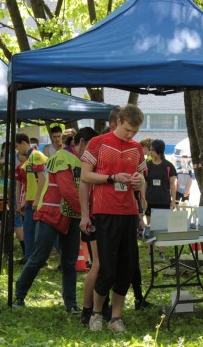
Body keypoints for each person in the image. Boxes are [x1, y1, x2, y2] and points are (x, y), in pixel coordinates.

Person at [13, 128, 98, 314]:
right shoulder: (62, 157)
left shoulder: (85, 161)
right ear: (82, 142)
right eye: (92, 146)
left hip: (73, 217)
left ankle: (71, 303)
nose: (94, 151)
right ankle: (19, 295)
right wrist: (88, 214)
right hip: (51, 215)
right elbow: (67, 190)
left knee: (69, 261)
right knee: (39, 256)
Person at [80, 104, 146, 333]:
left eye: (134, 132)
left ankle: (116, 317)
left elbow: (142, 178)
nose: (130, 135)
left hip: (128, 212)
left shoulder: (137, 148)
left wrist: (139, 182)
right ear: (118, 120)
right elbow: (85, 175)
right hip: (105, 211)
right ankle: (96, 313)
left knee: (127, 268)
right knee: (105, 268)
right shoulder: (98, 143)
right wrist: (111, 178)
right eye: (128, 130)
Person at [15, 132, 48, 263]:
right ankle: (29, 257)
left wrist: (37, 199)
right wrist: (24, 201)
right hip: (30, 200)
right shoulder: (31, 157)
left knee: (44, 231)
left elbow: (43, 178)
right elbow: (29, 182)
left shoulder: (35, 156)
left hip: (37, 201)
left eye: (17, 146)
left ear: (24, 143)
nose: (17, 150)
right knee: (29, 230)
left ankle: (33, 258)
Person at [143, 139, 177, 262]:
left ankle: (162, 253)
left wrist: (173, 201)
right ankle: (150, 252)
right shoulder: (147, 166)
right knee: (150, 227)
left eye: (152, 150)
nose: (150, 152)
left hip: (164, 201)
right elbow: (144, 184)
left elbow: (172, 185)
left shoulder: (168, 166)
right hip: (150, 200)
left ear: (159, 151)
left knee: (162, 228)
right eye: (150, 150)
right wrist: (143, 199)